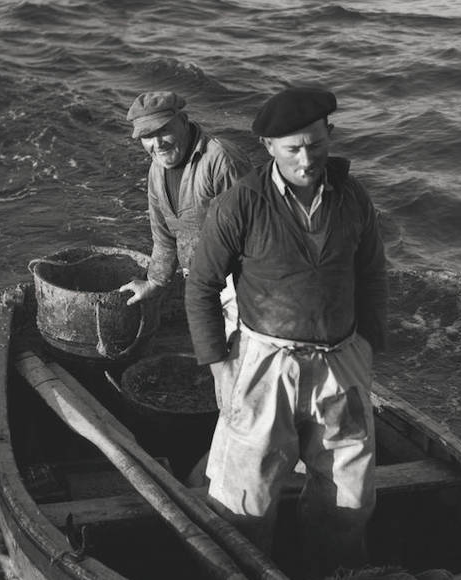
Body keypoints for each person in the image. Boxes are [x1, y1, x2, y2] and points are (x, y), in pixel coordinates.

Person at [185, 86, 388, 579]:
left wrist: (366, 345)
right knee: (244, 502)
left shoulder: (353, 198)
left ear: (329, 137)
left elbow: (372, 274)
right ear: (269, 149)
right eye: (293, 148)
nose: (306, 158)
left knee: (350, 501)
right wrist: (218, 365)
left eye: (316, 145)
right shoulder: (241, 204)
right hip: (263, 363)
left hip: (341, 361)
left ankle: (330, 568)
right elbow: (201, 286)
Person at [119, 90, 250, 336]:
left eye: (163, 130)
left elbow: (253, 234)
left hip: (240, 279)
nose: (157, 144)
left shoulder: (221, 160)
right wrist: (155, 282)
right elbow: (164, 236)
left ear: (183, 121)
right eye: (147, 136)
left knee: (241, 353)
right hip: (201, 279)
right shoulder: (156, 169)